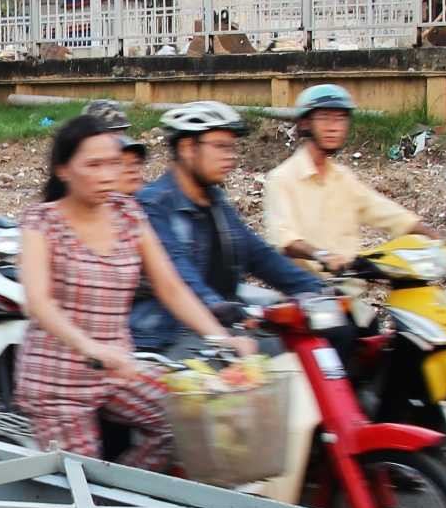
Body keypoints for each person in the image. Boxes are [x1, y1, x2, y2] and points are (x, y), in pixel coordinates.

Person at [19, 117, 245, 508]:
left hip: (120, 367)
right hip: (59, 374)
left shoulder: (129, 214)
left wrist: (222, 338)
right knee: (75, 502)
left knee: (184, 417)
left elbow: (170, 287)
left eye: (113, 162)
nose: (105, 174)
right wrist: (89, 344)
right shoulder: (42, 221)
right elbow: (39, 303)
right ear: (63, 169)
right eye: (91, 164)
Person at [130, 101, 320, 354]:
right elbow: (178, 272)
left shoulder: (215, 202)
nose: (230, 158)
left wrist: (316, 289)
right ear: (187, 148)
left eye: (232, 148)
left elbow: (259, 255)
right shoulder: (154, 205)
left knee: (300, 350)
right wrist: (216, 305)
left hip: (220, 327)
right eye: (221, 147)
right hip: (169, 335)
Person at [262, 84, 416, 271]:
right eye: (324, 118)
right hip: (307, 290)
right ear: (305, 123)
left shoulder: (343, 178)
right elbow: (284, 239)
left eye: (340, 119)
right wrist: (322, 256)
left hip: (348, 286)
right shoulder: (281, 179)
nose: (333, 127)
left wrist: (436, 236)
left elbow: (388, 214)